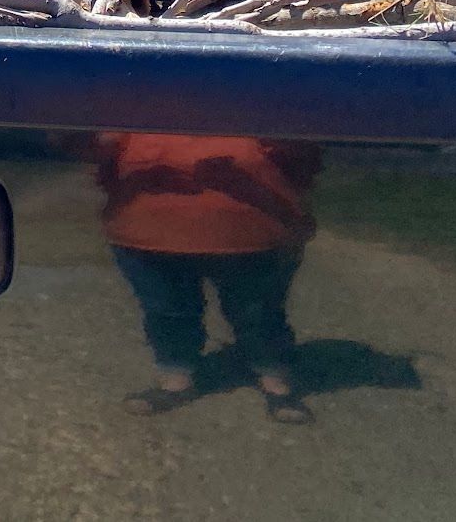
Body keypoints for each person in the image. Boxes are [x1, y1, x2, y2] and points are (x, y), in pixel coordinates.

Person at [97, 129, 321, 424]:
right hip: (144, 233)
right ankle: (176, 377)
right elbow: (89, 151)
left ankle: (275, 379)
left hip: (252, 235)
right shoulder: (137, 96)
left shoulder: (259, 94)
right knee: (166, 309)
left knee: (258, 310)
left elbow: (305, 159)